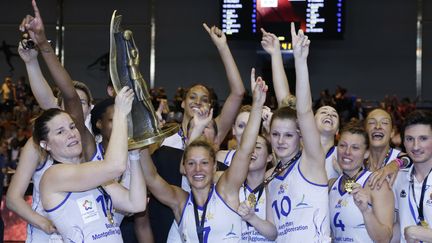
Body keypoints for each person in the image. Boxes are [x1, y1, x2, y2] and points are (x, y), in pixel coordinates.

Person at [146, 23, 245, 242]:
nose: (198, 102)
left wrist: (222, 47)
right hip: (172, 214)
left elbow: (238, 93)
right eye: (192, 97)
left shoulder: (214, 130)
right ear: (181, 104)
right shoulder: (163, 137)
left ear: (211, 108)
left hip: (211, 214)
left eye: (205, 99)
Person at [141, 76, 267, 242]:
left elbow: (244, 151)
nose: (198, 169)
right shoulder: (180, 201)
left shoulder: (227, 191)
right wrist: (138, 141)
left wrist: (257, 105)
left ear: (215, 165)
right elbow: (151, 177)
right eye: (191, 164)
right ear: (184, 168)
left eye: (205, 163)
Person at [256, 23, 330, 241]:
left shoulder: (311, 160)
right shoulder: (269, 176)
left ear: (300, 135)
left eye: (288, 135)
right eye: (276, 134)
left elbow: (304, 111)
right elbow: (272, 232)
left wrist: (299, 60)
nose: (280, 140)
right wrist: (275, 55)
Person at [329, 121, 394, 242]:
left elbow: (385, 239)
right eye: (343, 145)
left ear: (366, 153)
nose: (347, 152)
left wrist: (366, 211)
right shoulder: (331, 185)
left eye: (355, 148)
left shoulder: (376, 184)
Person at [392, 110, 432, 243]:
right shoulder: (398, 179)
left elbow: (410, 231)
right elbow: (399, 225)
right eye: (410, 139)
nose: (415, 146)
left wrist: (417, 233)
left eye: (423, 138)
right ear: (403, 142)